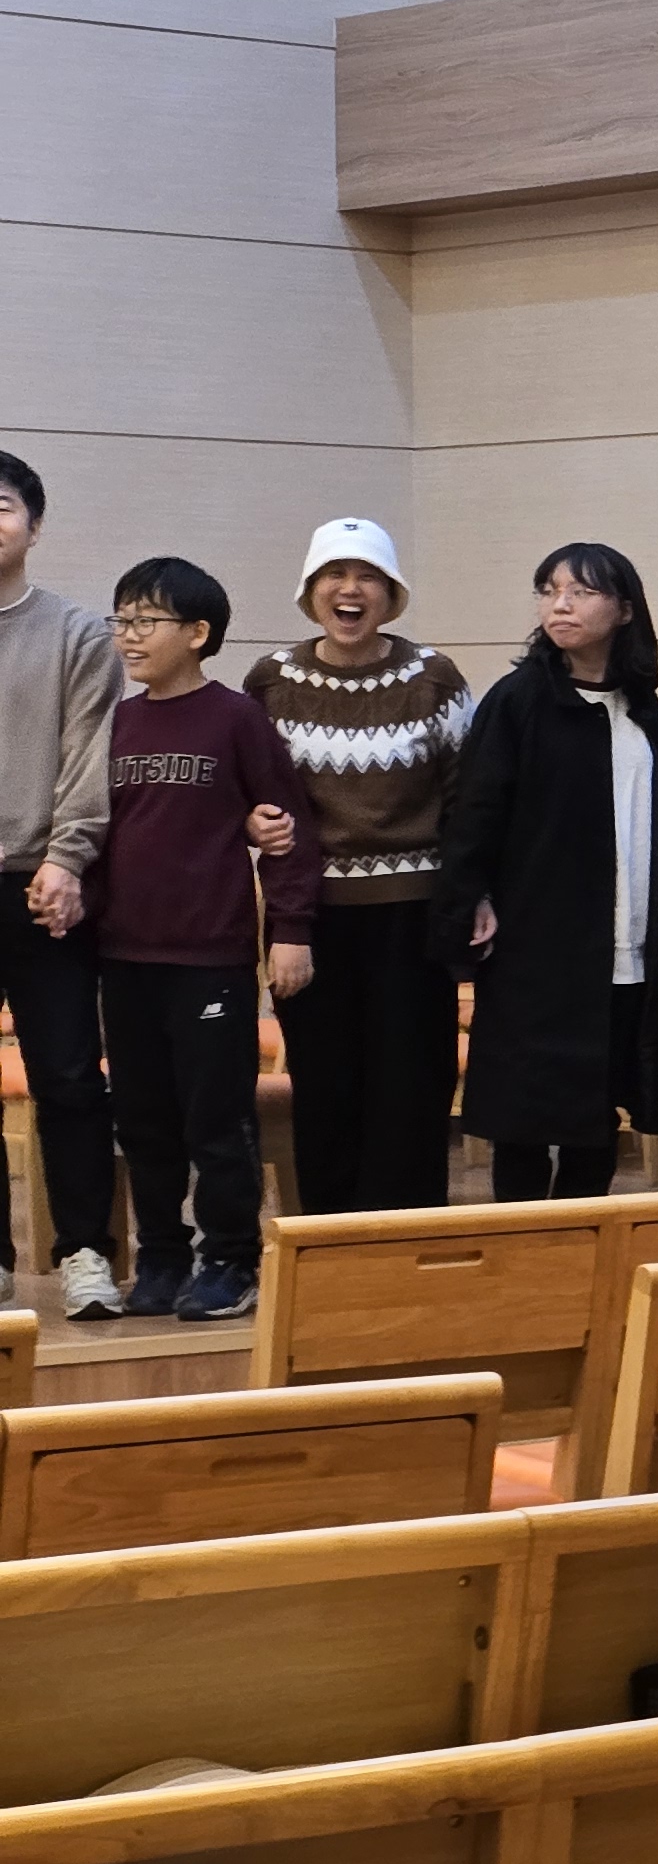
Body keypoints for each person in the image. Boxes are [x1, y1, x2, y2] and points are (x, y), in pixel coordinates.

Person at [97, 557, 320, 1318]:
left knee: (216, 1119)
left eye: (146, 621)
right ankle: (161, 1255)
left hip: (210, 956)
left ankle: (231, 1259)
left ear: (197, 633)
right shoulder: (116, 721)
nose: (129, 636)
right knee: (143, 1119)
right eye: (122, 620)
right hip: (123, 956)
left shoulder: (236, 719)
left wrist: (290, 928)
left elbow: (288, 829)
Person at [241, 519, 469, 1214]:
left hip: (414, 915)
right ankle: (331, 1243)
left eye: (368, 576)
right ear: (310, 591)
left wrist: (474, 896)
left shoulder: (432, 676)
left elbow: (469, 796)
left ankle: (407, 1239)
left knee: (413, 1085)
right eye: (334, 575)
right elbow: (244, 786)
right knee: (325, 1086)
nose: (350, 589)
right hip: (310, 918)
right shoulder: (272, 680)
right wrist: (248, 820)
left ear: (391, 593)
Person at [434, 544, 658, 1203]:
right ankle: (522, 1251)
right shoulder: (517, 700)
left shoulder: (643, 705)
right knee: (524, 1119)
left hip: (626, 951)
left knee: (599, 1117)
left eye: (581, 592)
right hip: (535, 950)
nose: (560, 605)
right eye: (549, 591)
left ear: (624, 610)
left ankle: (584, 1246)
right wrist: (472, 897)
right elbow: (474, 813)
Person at [0, 451, 122, 1318]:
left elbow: (90, 753)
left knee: (71, 1076)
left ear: (33, 526)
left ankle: (84, 1251)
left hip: (43, 882)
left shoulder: (77, 633)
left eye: (2, 505)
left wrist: (67, 857)